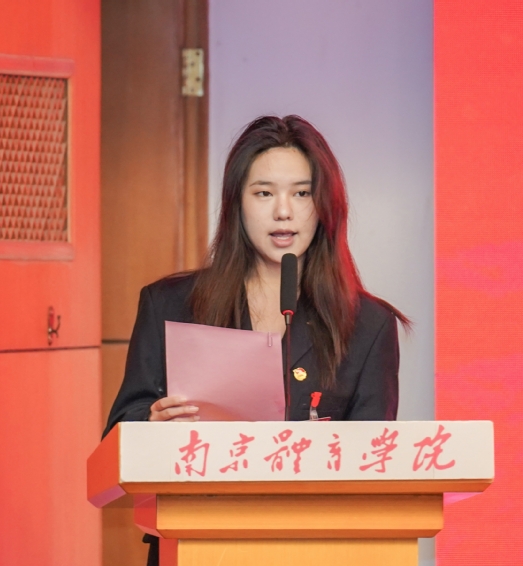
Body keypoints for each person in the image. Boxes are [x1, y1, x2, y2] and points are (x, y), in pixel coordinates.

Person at [103, 115, 409, 565]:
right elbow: (117, 437)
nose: (283, 211)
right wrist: (151, 426)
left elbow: (373, 468)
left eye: (301, 193)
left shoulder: (368, 325)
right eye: (264, 193)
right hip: (194, 545)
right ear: (236, 204)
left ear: (325, 206)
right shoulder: (170, 304)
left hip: (315, 551)